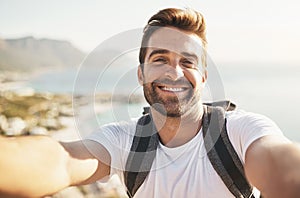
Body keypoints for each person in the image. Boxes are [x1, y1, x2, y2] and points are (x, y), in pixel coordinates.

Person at [1, 7, 300, 198]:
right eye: (160, 59)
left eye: (188, 61)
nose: (175, 71)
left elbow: (280, 165)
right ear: (141, 73)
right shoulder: (125, 141)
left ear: (204, 77)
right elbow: (63, 161)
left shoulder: (240, 131)